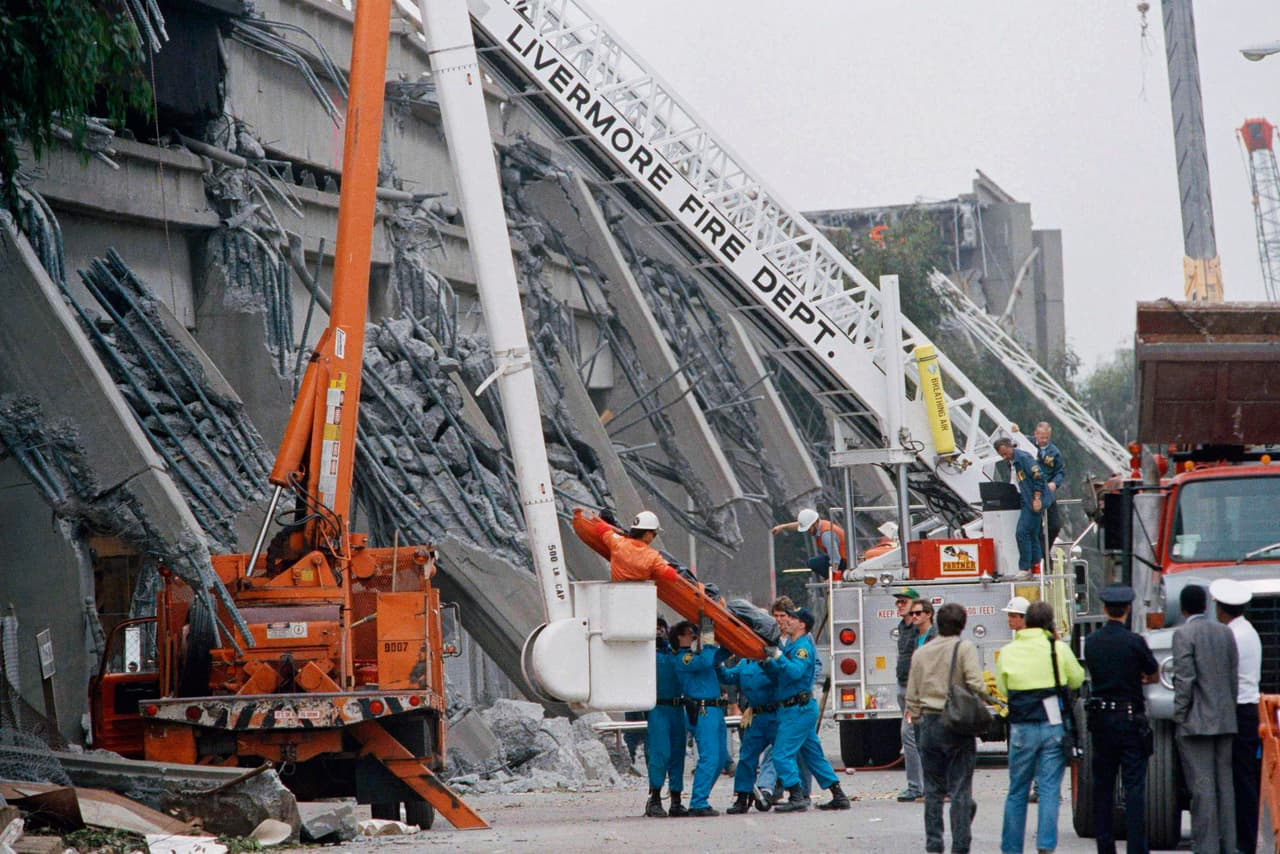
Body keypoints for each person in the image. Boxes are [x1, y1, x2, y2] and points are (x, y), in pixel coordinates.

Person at [996, 600, 1085, 854]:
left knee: (1017, 791)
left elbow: (1003, 688)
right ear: (1049, 623)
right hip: (1052, 724)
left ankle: (1012, 848)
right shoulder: (1057, 649)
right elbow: (1077, 678)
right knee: (1048, 789)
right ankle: (1045, 844)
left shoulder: (1008, 651)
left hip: (1022, 726)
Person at [1083, 584, 1158, 854]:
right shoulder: (1135, 642)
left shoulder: (1091, 642)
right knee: (1134, 787)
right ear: (1127, 609)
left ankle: (1106, 846)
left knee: (1103, 786)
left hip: (1101, 720)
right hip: (1129, 719)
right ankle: (1136, 847)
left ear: (1104, 609)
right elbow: (1153, 672)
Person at [905, 603, 985, 854]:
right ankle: (960, 846)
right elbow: (975, 682)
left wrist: (917, 717)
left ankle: (934, 844)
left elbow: (912, 694)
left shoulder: (922, 653)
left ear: (938, 622)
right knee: (960, 789)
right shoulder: (964, 648)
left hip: (929, 723)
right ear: (963, 625)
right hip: (956, 724)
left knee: (933, 790)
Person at [764, 607, 852, 812]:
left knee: (781, 754)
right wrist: (768, 662)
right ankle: (838, 795)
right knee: (813, 755)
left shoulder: (802, 647)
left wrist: (777, 656)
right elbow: (781, 674)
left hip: (798, 709)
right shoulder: (793, 646)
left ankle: (796, 795)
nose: (786, 621)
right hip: (796, 708)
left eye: (792, 618)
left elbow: (795, 672)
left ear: (802, 624)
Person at [1173, 583, 1238, 854]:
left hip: (1196, 722)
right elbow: (1233, 677)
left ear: (1183, 608)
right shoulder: (1226, 633)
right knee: (1225, 786)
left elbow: (1185, 678)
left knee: (1202, 788)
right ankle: (1229, 845)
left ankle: (1206, 847)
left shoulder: (1183, 634)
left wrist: (1179, 713)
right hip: (1225, 719)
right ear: (1206, 605)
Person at [1210, 578, 1262, 854]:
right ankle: (1246, 837)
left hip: (1239, 710)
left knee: (1241, 779)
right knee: (1246, 776)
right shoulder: (1249, 631)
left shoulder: (1232, 636)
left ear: (1222, 609)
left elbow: (1223, 674)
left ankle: (1245, 840)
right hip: (1249, 707)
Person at [673, 620, 727, 817]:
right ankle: (698, 802)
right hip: (703, 710)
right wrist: (710, 641)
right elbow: (705, 661)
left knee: (720, 758)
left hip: (715, 709)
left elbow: (716, 658)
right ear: (679, 637)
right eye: (689, 633)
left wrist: (727, 645)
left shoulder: (700, 656)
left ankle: (701, 797)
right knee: (710, 756)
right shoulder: (684, 659)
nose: (694, 636)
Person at [718, 646, 779, 813]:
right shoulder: (745, 663)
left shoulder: (773, 660)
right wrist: (717, 663)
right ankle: (743, 796)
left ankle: (790, 793)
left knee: (781, 754)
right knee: (746, 757)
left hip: (776, 714)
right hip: (756, 716)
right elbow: (729, 676)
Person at [644, 618, 687, 818]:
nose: (658, 633)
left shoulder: (677, 654)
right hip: (658, 708)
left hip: (678, 708)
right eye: (653, 629)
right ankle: (654, 798)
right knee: (660, 754)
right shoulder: (644, 656)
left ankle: (676, 799)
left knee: (678, 754)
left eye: (661, 628)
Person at [993, 437, 1047, 578]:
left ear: (1009, 447)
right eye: (1002, 455)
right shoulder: (1012, 462)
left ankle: (1024, 567)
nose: (1005, 457)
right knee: (1033, 534)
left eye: (1005, 453)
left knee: (1021, 532)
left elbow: (1038, 476)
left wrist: (1036, 497)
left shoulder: (1023, 458)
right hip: (1025, 498)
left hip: (1031, 499)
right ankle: (1036, 567)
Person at [894, 587, 926, 802]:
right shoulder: (902, 627)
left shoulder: (920, 631)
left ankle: (916, 787)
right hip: (903, 685)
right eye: (898, 602)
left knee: (909, 734)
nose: (899, 605)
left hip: (916, 689)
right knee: (919, 736)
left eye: (904, 601)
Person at [770, 509, 848, 579]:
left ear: (815, 523)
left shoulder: (826, 535)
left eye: (809, 529)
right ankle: (835, 576)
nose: (808, 531)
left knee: (814, 563)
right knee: (813, 562)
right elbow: (799, 525)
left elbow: (835, 559)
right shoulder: (821, 524)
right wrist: (783, 527)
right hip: (841, 557)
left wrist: (833, 577)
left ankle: (840, 576)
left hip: (845, 561)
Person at [603, 511, 676, 582]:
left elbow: (600, 527)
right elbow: (672, 576)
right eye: (654, 534)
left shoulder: (618, 543)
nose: (653, 537)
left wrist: (615, 529)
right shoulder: (652, 557)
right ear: (647, 534)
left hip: (615, 592)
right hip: (640, 593)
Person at [1033, 422, 1065, 549]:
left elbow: (1061, 472)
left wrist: (1054, 483)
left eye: (1047, 437)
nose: (1044, 440)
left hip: (1046, 492)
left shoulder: (1054, 452)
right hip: (1030, 492)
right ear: (1036, 434)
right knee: (1035, 525)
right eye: (1041, 437)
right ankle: (1040, 554)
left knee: (1055, 525)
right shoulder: (1026, 443)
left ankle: (1045, 550)